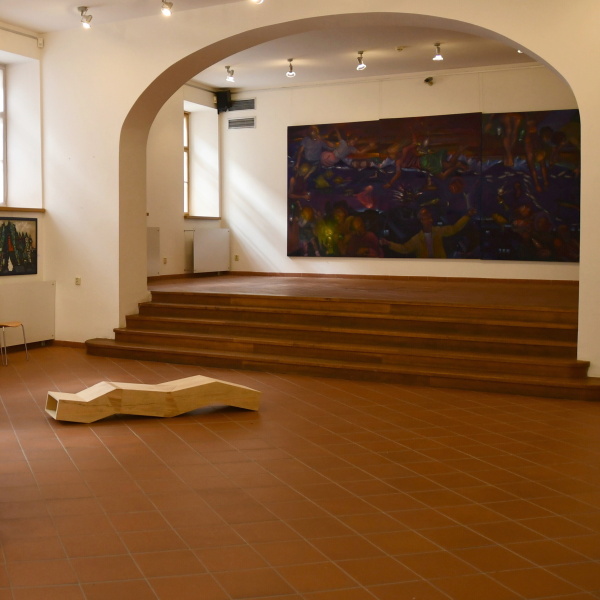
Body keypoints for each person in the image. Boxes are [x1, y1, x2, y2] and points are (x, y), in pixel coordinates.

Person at [382, 207, 476, 258]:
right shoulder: (417, 239)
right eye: (425, 217)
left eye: (429, 217)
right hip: (424, 267)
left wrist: (467, 216)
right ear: (421, 220)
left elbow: (454, 228)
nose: (429, 219)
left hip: (441, 265)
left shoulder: (439, 231)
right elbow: (404, 248)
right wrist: (389, 244)